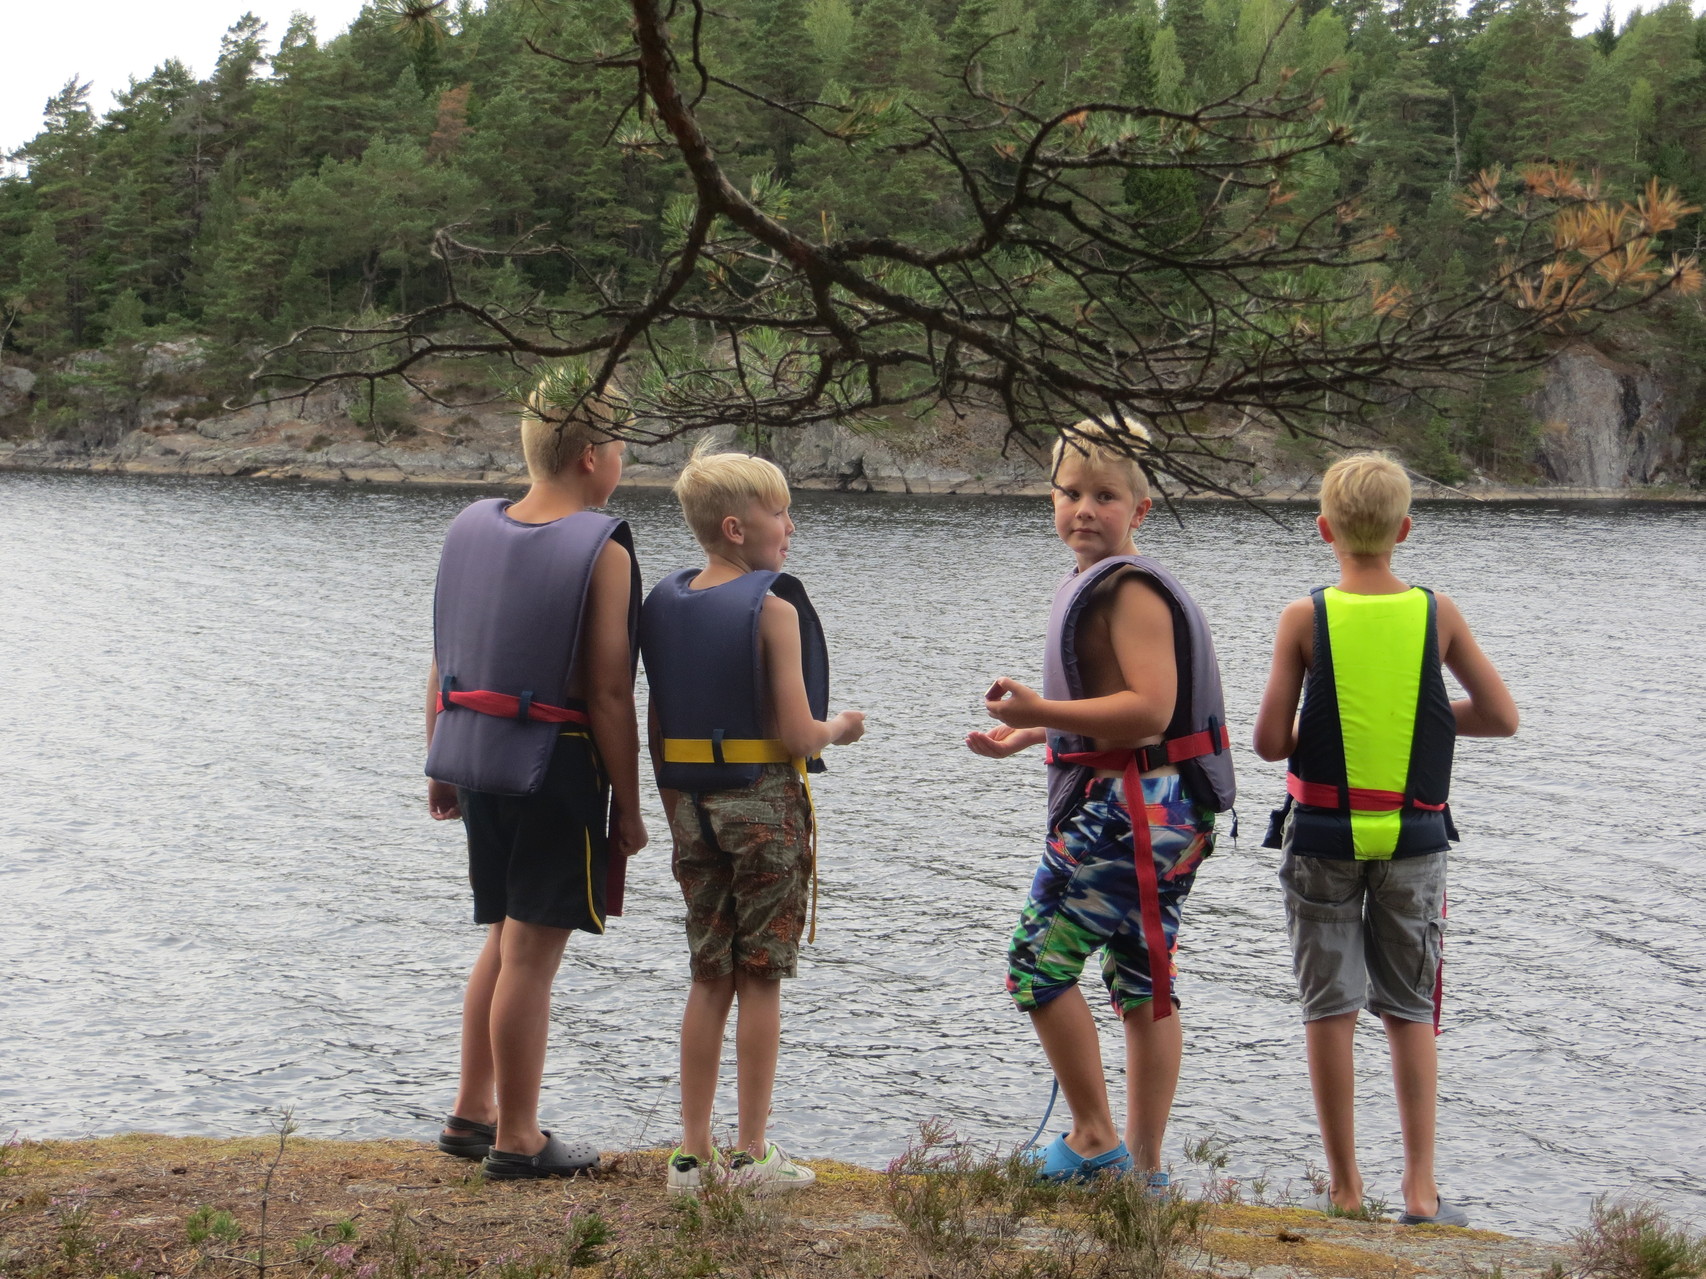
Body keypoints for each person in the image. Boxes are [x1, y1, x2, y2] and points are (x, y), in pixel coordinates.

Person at [967, 418, 1236, 1186]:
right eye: (1071, 491)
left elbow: (1150, 711)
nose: (1085, 508)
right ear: (1050, 495)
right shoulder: (1095, 581)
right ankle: (1142, 1171)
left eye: (1106, 495)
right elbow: (1115, 712)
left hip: (1131, 812)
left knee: (1034, 964)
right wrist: (1028, 737)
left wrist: (1041, 714)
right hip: (1167, 810)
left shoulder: (1129, 590)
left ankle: (1092, 1139)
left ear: (1139, 509)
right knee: (1141, 979)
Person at [1252, 452, 1517, 1227]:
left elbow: (1271, 741)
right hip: (1414, 843)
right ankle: (1421, 1190)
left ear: (1323, 529)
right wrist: (1427, 722)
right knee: (1410, 1010)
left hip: (1323, 840)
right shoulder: (1437, 614)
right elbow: (1502, 716)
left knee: (1328, 1007)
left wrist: (1323, 728)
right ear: (1405, 530)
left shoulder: (1304, 617)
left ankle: (1344, 1188)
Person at [424, 374, 647, 1180]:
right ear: (593, 457)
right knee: (530, 952)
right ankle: (519, 1135)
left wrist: (438, 758)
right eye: (622, 445)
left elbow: (444, 657)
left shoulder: (467, 527)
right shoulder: (604, 545)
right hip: (556, 765)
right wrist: (626, 800)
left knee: (502, 933)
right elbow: (612, 692)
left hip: (477, 756)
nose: (622, 459)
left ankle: (471, 1109)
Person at [640, 448, 865, 1196]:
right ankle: (752, 1153)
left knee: (710, 974)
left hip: (692, 810)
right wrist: (843, 728)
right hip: (764, 807)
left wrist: (676, 809)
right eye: (779, 513)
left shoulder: (663, 605)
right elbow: (800, 736)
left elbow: (657, 724)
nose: (791, 526)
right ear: (737, 527)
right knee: (761, 976)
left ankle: (690, 1154)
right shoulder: (774, 608)